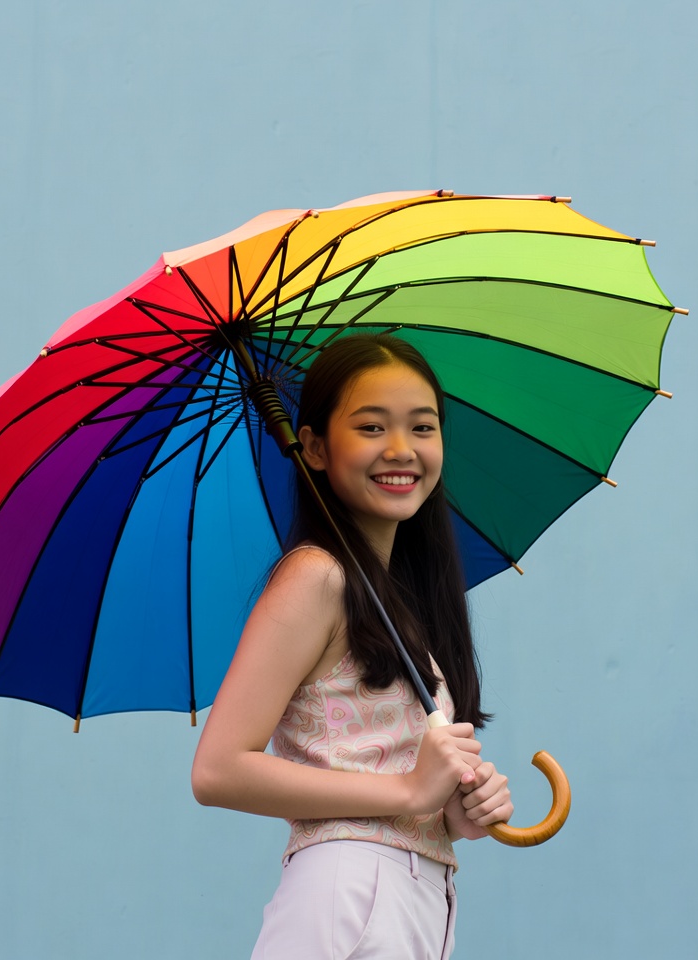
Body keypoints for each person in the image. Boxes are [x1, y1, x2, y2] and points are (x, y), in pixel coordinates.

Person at [191, 334, 513, 959]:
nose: (401, 449)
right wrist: (408, 793)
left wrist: (454, 809)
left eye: (423, 427)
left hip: (411, 899)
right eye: (370, 427)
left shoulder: (398, 602)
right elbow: (217, 769)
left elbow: (389, 770)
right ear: (312, 445)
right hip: (352, 896)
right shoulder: (317, 576)